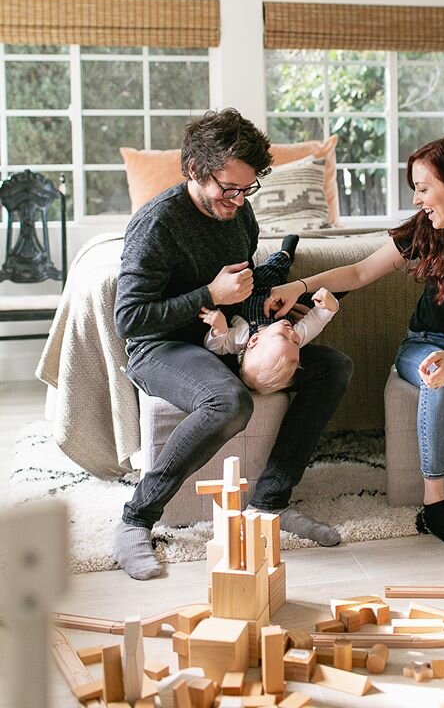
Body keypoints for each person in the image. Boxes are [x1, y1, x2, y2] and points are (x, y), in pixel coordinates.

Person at [113, 108, 352, 579]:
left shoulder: (240, 218)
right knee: (228, 402)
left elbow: (241, 289)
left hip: (227, 338)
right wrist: (208, 296)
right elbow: (129, 319)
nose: (240, 200)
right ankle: (135, 519)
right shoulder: (157, 225)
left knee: (333, 367)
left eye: (248, 188)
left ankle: (268, 504)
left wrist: (267, 308)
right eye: (229, 188)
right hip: (160, 347)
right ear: (194, 170)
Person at [265, 134, 444, 551]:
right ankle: (435, 505)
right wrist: (300, 285)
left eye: (424, 189)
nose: (419, 199)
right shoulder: (426, 228)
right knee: (434, 378)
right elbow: (358, 273)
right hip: (425, 341)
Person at [200, 235, 340, 393]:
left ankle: (283, 254)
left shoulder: (241, 338)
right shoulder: (297, 335)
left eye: (283, 337)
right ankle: (287, 255)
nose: (293, 335)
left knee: (267, 271)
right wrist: (329, 305)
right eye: (296, 343)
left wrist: (219, 329)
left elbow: (216, 347)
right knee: (284, 275)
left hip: (249, 294)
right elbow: (316, 321)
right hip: (283, 298)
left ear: (254, 340)